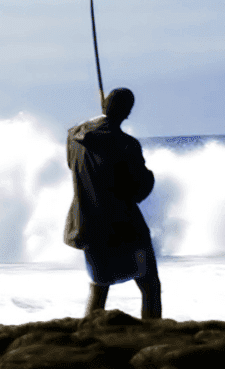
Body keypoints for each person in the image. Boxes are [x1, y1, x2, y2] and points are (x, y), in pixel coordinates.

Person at [63, 87, 161, 319]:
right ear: (127, 113)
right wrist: (150, 177)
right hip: (125, 228)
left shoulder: (74, 138)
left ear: (104, 106)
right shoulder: (127, 145)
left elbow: (71, 164)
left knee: (99, 285)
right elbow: (138, 189)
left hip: (88, 225)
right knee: (150, 286)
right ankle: (153, 335)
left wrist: (99, 120)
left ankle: (88, 335)